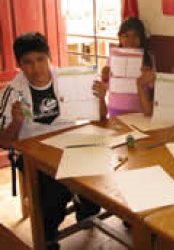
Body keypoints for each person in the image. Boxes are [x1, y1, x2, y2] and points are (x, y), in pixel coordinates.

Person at [0, 32, 107, 249]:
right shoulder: (12, 91)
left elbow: (101, 119)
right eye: (28, 62)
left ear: (49, 58)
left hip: (72, 145)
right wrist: (17, 122)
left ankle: (86, 208)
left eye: (40, 59)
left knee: (100, 181)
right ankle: (47, 235)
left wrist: (101, 99)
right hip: (33, 154)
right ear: (20, 65)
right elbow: (4, 142)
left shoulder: (69, 80)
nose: (36, 68)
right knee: (54, 196)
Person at [101, 17, 153, 117]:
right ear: (119, 37)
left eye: (135, 36)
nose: (130, 40)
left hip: (139, 109)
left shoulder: (148, 58)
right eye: (126, 36)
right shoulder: (113, 57)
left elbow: (152, 86)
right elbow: (107, 86)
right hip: (116, 108)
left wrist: (148, 76)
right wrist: (105, 76)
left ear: (142, 38)